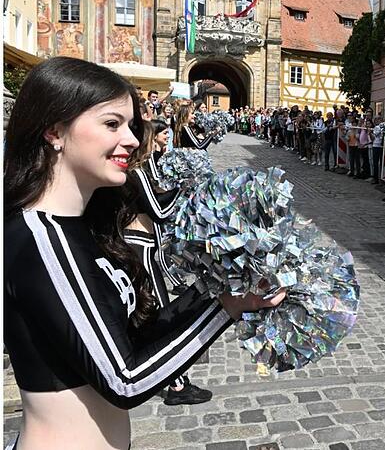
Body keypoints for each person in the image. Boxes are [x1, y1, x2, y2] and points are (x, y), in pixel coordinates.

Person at [4, 56, 286, 450]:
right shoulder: (40, 238)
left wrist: (224, 292)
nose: (135, 139)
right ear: (55, 130)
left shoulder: (86, 226)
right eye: (111, 124)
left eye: (131, 125)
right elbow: (125, 380)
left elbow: (134, 338)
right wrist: (223, 307)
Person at [122, 118, 213, 405]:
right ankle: (176, 384)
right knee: (163, 311)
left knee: (149, 309)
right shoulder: (136, 171)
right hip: (140, 246)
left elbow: (156, 198)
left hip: (142, 244)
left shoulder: (139, 169)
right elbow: (160, 211)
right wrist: (186, 187)